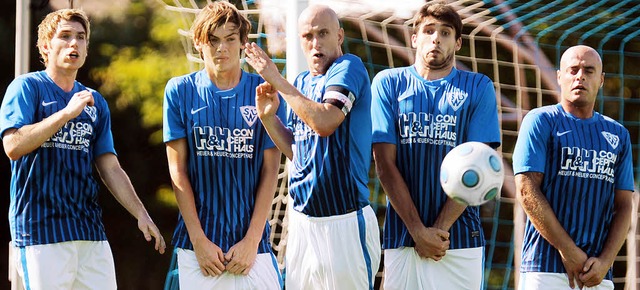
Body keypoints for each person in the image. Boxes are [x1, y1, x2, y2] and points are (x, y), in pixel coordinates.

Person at [0, 9, 165, 290]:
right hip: (41, 232)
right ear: (45, 46)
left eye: (80, 37)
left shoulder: (95, 102)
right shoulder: (26, 87)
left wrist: (141, 213)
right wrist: (65, 114)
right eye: (64, 37)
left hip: (89, 233)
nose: (74, 44)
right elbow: (13, 146)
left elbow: (110, 166)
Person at [243, 4, 381, 290]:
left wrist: (277, 80)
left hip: (344, 221)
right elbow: (298, 151)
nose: (315, 43)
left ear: (340, 36)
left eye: (323, 33)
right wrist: (268, 119)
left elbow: (326, 121)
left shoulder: (349, 68)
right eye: (307, 36)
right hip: (304, 223)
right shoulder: (302, 82)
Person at [370, 2, 501, 289]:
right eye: (429, 30)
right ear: (415, 38)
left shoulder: (478, 87)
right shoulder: (388, 84)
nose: (436, 38)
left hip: (460, 239)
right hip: (403, 236)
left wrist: (438, 231)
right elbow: (384, 163)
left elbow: (479, 166)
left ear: (458, 42)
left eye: (445, 32)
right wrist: (418, 231)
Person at [162, 2, 284, 289]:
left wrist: (252, 240)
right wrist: (199, 240)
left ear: (243, 43)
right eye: (213, 40)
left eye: (230, 39)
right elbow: (177, 171)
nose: (221, 49)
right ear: (198, 43)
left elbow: (271, 170)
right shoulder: (180, 91)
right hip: (199, 251)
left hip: (254, 247)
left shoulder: (263, 90)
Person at [513, 45, 635, 289]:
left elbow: (623, 206)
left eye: (589, 71)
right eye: (573, 70)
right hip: (544, 269)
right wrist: (567, 251)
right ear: (559, 77)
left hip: (597, 275)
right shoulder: (540, 121)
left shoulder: (618, 134)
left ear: (600, 80)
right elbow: (527, 191)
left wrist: (605, 262)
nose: (580, 76)